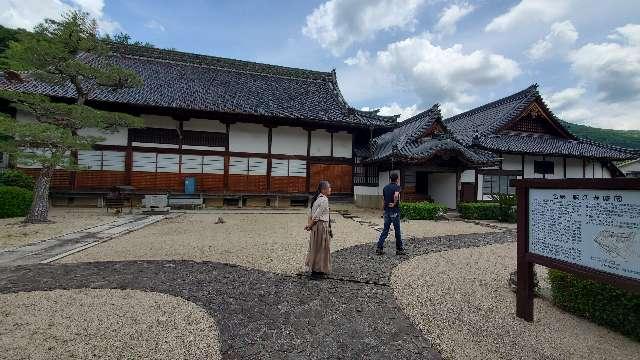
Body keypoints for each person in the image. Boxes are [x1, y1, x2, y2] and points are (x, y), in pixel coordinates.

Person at [304, 180, 332, 279]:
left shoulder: (316, 199)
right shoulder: (324, 199)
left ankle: (315, 268)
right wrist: (310, 225)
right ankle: (318, 270)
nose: (330, 189)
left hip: (316, 227)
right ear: (324, 190)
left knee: (315, 247)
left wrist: (309, 225)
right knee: (321, 248)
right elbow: (316, 216)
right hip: (321, 226)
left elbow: (310, 214)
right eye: (329, 188)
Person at [376, 172, 405, 255]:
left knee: (385, 230)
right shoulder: (397, 187)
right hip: (394, 211)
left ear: (390, 179)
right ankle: (399, 249)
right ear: (397, 179)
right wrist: (394, 203)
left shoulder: (385, 188)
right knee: (397, 231)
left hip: (387, 211)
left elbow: (384, 199)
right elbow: (396, 195)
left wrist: (383, 210)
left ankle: (379, 247)